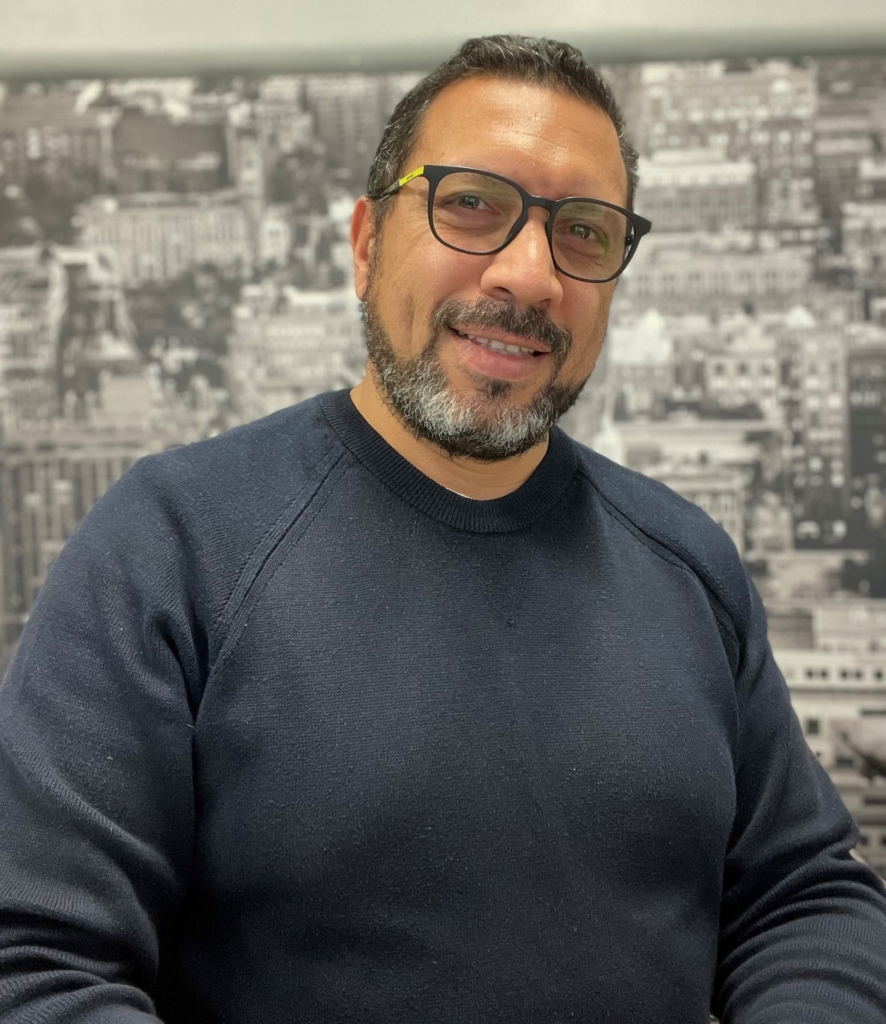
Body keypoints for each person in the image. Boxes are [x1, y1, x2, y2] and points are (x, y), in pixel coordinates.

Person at [0, 34, 884, 1024]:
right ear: (366, 244)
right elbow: (36, 963)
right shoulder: (171, 548)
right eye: (470, 204)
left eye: (584, 231)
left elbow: (803, 896)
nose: (530, 274)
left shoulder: (688, 565)